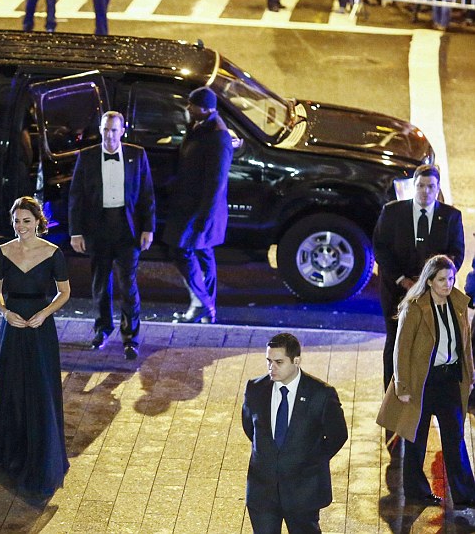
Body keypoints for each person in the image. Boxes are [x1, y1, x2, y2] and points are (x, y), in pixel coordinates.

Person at [0, 196, 70, 498]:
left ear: (38, 223)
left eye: (26, 221)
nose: (21, 226)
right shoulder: (2, 252)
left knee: (40, 386)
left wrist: (44, 314)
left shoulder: (53, 253)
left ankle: (41, 454)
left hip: (39, 327)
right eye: (17, 221)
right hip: (13, 325)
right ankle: (10, 453)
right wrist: (5, 312)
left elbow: (64, 292)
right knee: (12, 384)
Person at [376, 255, 475, 508]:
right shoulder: (415, 307)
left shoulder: (458, 304)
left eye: (451, 279)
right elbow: (401, 349)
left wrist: (470, 375)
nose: (448, 284)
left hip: (449, 381)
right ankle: (416, 492)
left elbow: (465, 346)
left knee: (455, 438)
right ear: (429, 281)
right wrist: (402, 386)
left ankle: (465, 494)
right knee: (415, 440)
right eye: (442, 279)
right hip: (422, 382)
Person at [68, 110, 155, 360]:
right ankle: (102, 329)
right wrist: (76, 232)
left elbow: (147, 194)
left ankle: (130, 336)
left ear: (122, 131)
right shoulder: (87, 156)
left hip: (127, 229)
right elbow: (76, 197)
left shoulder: (137, 155)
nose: (109, 135)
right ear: (100, 130)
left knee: (128, 284)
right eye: (105, 129)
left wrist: (148, 228)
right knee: (100, 283)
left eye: (114, 130)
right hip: (98, 228)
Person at [242, 332, 348, 533]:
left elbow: (338, 435)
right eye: (269, 361)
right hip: (263, 491)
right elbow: (250, 428)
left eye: (279, 362)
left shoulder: (320, 394)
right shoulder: (255, 389)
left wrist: (311, 459)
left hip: (303, 493)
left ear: (296, 361)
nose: (271, 367)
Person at [372, 164, 464, 395]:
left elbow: (456, 253)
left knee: (429, 340)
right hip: (396, 290)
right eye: (421, 186)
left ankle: (424, 393)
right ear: (414, 186)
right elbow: (381, 249)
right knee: (396, 340)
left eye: (430, 186)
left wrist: (432, 282)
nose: (425, 191)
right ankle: (392, 395)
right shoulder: (392, 212)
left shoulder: (450, 217)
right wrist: (403, 280)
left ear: (438, 188)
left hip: (432, 292)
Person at [164, 87, 233, 325]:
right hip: (190, 205)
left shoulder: (218, 136)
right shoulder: (199, 127)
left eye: (192, 105)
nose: (188, 108)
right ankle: (208, 308)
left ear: (205, 109)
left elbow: (216, 182)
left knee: (181, 250)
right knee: (203, 253)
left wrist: (205, 216)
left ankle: (201, 303)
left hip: (200, 209)